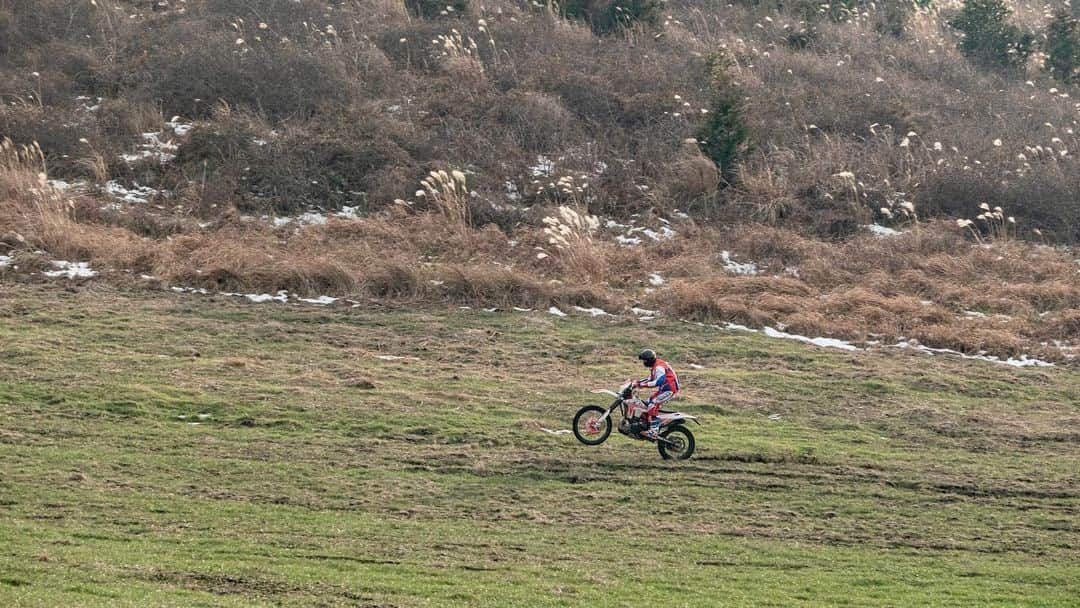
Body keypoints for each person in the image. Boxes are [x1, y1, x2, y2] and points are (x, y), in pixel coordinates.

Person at [632, 349, 680, 439]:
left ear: (649, 360)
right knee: (647, 402)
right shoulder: (655, 365)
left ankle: (653, 431)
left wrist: (643, 385)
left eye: (644, 360)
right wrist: (637, 383)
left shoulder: (659, 367)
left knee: (653, 404)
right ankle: (646, 424)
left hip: (669, 389)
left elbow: (659, 381)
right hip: (664, 389)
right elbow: (650, 378)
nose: (644, 362)